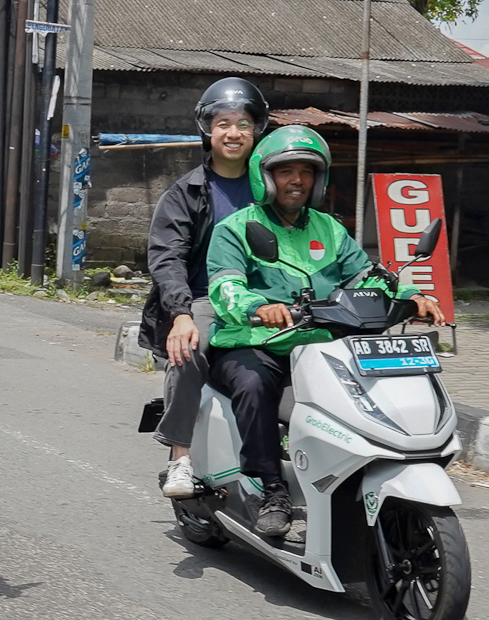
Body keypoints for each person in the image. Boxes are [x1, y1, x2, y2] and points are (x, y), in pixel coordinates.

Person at [206, 126, 445, 536]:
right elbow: (225, 287)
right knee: (253, 384)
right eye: (286, 171)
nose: (297, 180)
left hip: (321, 344)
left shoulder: (329, 228)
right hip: (256, 344)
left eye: (306, 172)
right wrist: (258, 307)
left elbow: (367, 275)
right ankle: (271, 489)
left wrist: (411, 295)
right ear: (265, 177)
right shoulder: (236, 228)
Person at [139, 78, 269, 499]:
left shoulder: (272, 187)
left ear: (257, 130)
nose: (234, 133)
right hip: (204, 298)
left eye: (243, 123)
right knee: (189, 348)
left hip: (267, 298)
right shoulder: (186, 193)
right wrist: (180, 314)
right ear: (208, 130)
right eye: (223, 123)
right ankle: (180, 457)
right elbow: (167, 258)